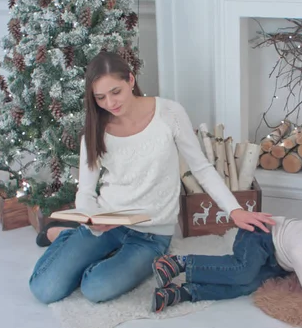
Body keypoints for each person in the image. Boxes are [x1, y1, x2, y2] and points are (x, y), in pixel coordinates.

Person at [28, 51, 275, 304]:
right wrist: (92, 221)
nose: (110, 103)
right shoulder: (95, 128)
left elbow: (201, 167)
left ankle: (69, 239)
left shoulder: (169, 113)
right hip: (108, 223)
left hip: (151, 236)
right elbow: (86, 191)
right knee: (45, 290)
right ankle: (66, 235)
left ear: (131, 80)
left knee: (94, 288)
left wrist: (234, 210)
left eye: (116, 92)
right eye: (100, 97)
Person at [150, 194, 302, 313]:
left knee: (249, 286)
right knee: (242, 272)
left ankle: (185, 292)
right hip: (261, 236)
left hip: (278, 261)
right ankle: (179, 263)